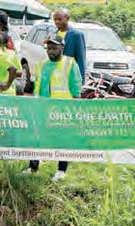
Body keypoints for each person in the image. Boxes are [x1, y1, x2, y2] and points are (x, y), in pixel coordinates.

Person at [28, 34, 82, 181]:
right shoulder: (42, 65)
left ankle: (61, 170)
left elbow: (76, 89)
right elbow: (37, 86)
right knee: (37, 138)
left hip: (62, 111)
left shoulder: (70, 64)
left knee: (62, 140)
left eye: (54, 48)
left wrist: (74, 111)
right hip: (42, 109)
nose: (51, 51)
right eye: (49, 48)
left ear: (62, 48)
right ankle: (33, 167)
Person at [52, 8, 86, 80]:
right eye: (55, 19)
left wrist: (80, 79)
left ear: (67, 19)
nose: (57, 22)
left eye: (59, 19)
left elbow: (81, 58)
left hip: (70, 75)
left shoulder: (76, 35)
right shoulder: (54, 34)